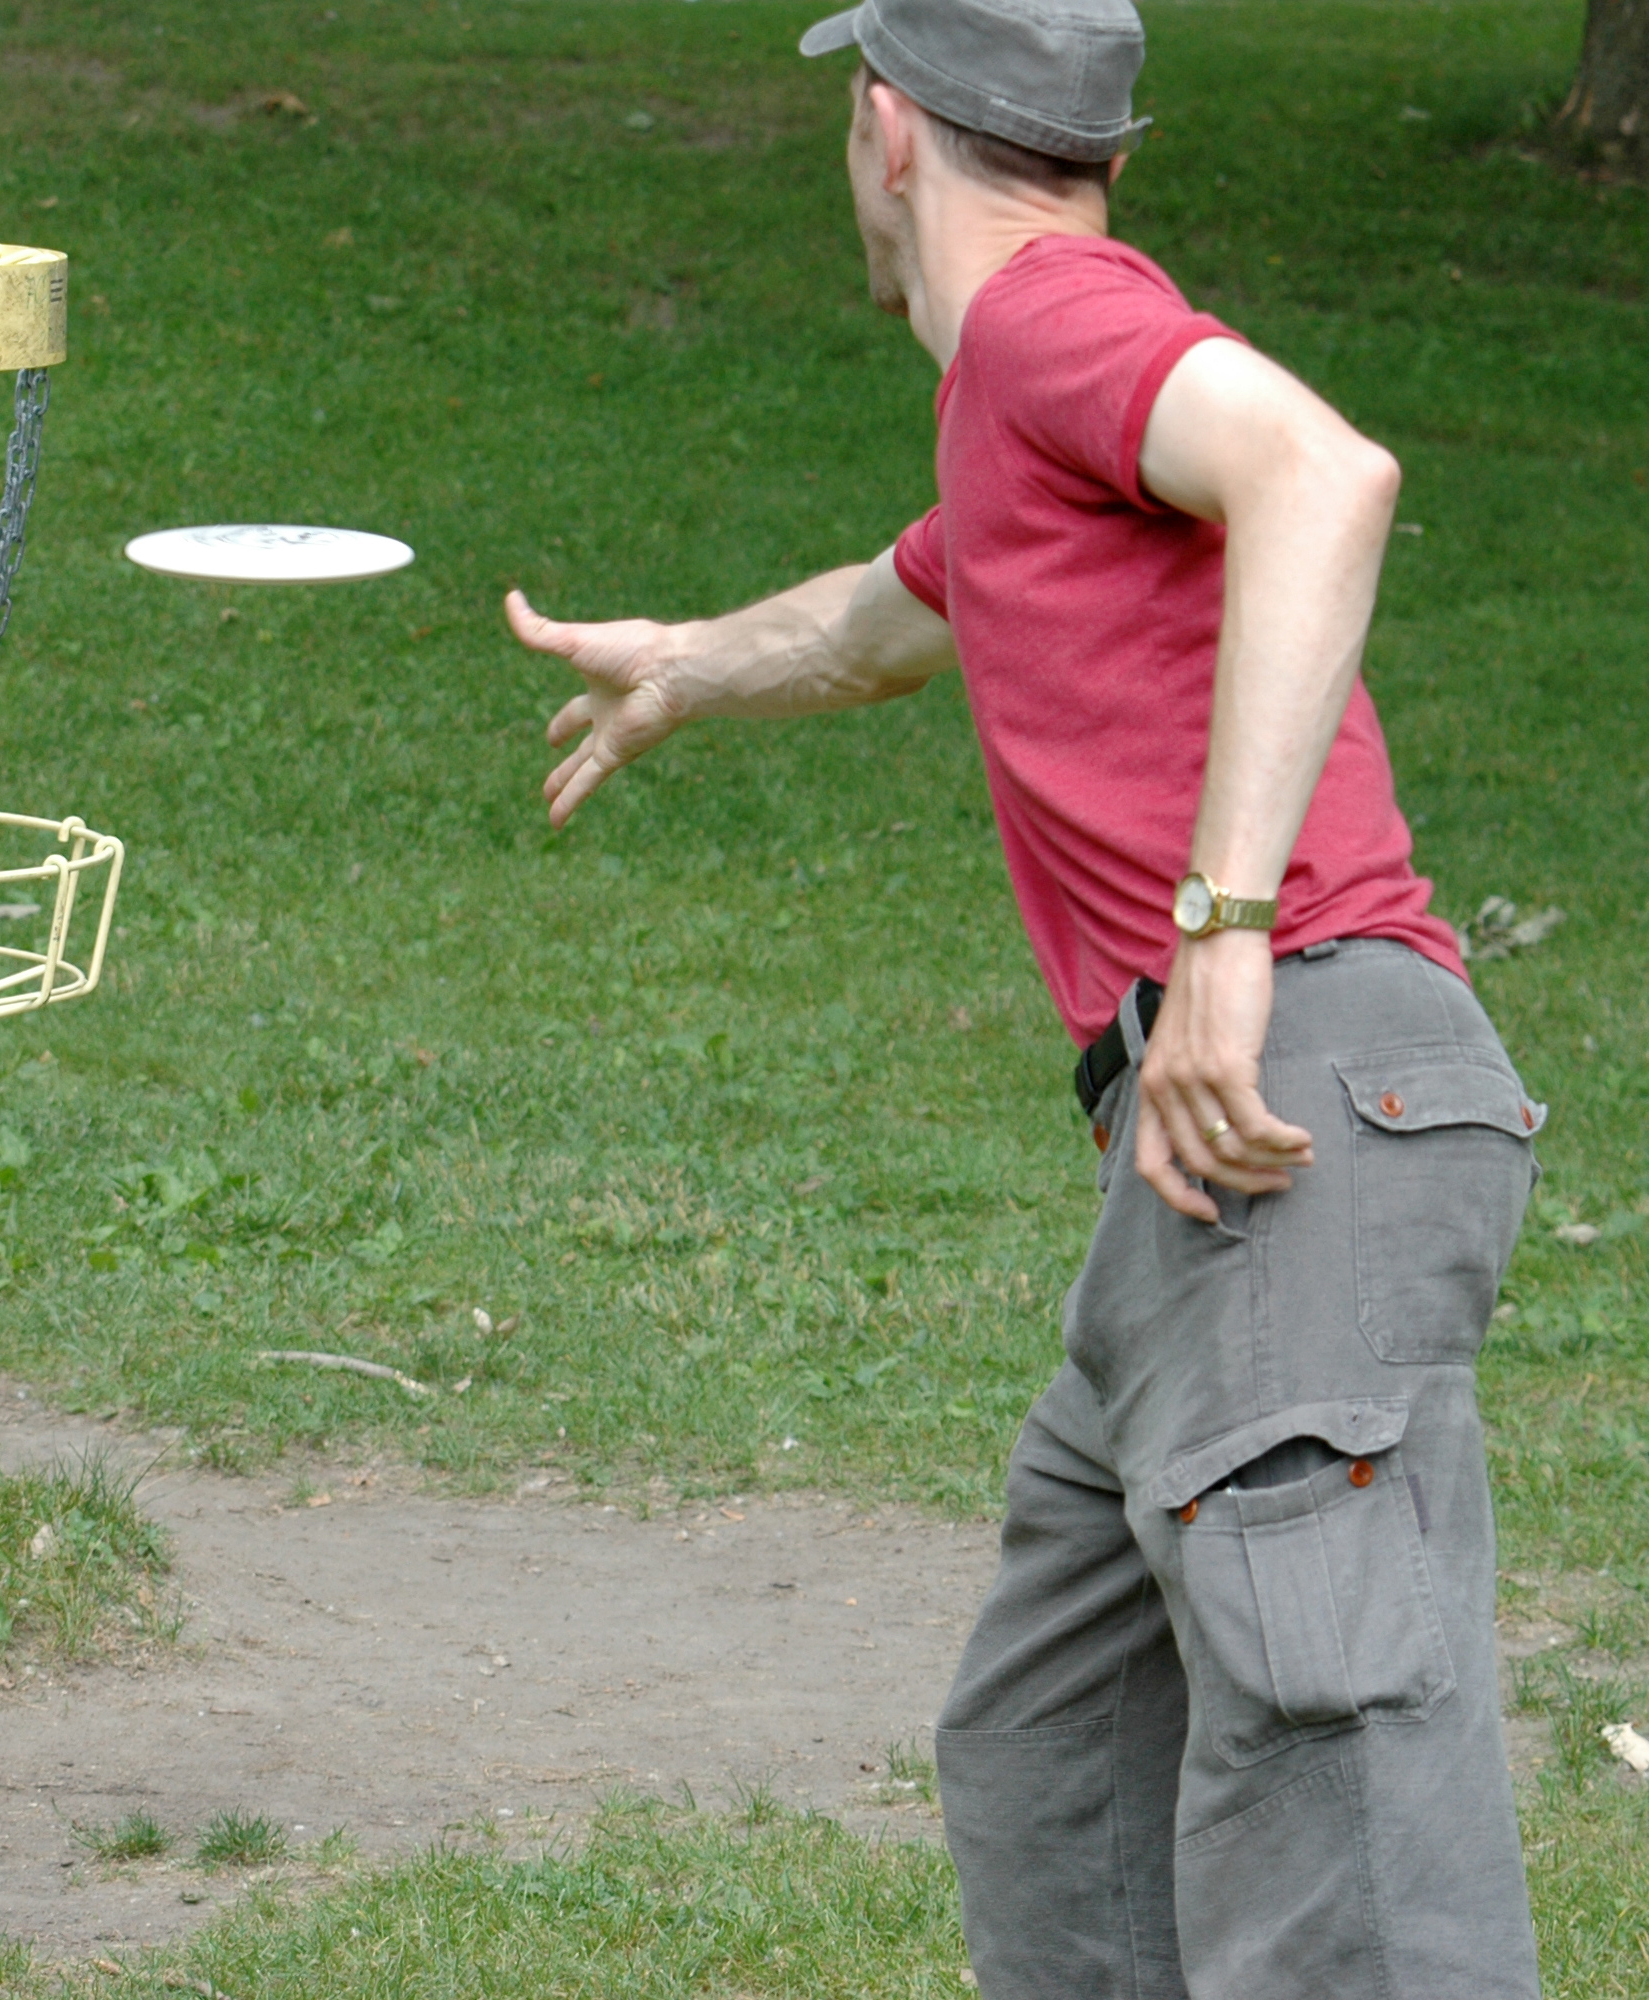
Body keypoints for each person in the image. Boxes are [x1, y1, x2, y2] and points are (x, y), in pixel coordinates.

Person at [503, 0, 1547, 1994]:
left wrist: (1219, 932)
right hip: (1205, 1168)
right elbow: (905, 610)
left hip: (1282, 1088)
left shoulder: (1052, 327)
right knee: (1052, 1745)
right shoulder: (1033, 396)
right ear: (1102, 149)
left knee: (1334, 1792)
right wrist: (686, 669)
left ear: (884, 130)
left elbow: (1322, 476)